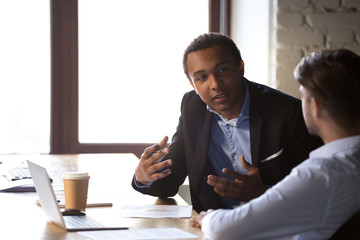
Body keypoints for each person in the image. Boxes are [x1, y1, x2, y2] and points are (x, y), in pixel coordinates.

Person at [132, 33, 321, 213]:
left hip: (274, 225)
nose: (215, 84)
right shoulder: (192, 108)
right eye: (202, 77)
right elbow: (170, 182)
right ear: (192, 84)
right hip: (213, 226)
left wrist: (263, 194)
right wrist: (144, 177)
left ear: (240, 68)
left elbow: (318, 192)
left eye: (222, 70)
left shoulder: (289, 113)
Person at [189, 49, 360, 239]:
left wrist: (208, 218)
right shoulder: (346, 166)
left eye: (303, 96)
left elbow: (224, 230)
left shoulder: (322, 174)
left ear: (316, 106)